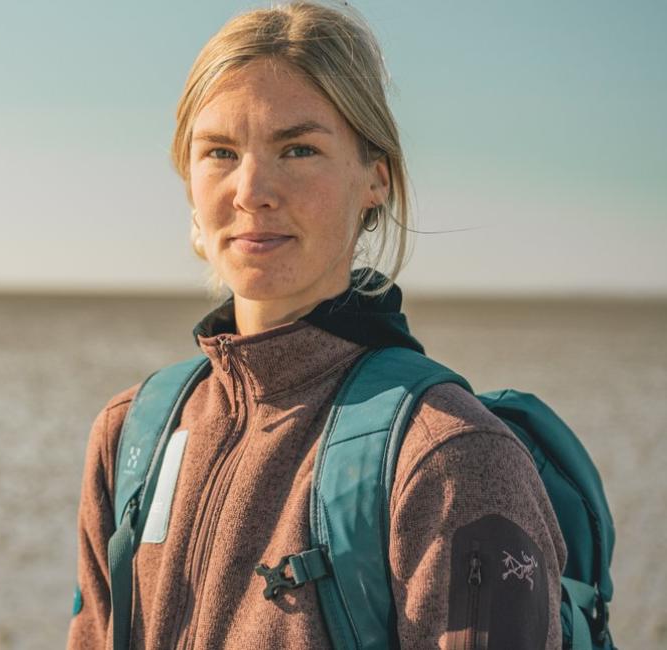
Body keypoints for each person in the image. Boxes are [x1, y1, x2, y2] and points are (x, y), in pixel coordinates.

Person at [66, 2, 566, 649]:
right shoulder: (132, 435)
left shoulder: (449, 456)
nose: (251, 189)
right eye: (219, 151)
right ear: (189, 183)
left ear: (374, 180)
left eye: (298, 148)